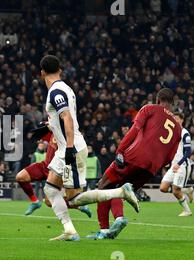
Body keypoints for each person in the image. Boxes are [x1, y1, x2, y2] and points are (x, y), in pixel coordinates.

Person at [39, 55, 139, 241]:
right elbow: (63, 118)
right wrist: (51, 125)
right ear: (60, 69)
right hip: (65, 148)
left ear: (42, 73)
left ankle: (120, 192)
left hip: (71, 148)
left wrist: (69, 148)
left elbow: (67, 117)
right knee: (51, 190)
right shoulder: (65, 89)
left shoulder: (55, 91)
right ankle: (69, 230)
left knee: (73, 199)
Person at [89, 88, 182, 240]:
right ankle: (112, 225)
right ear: (173, 102)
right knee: (120, 189)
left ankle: (107, 227)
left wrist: (120, 150)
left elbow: (134, 130)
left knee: (104, 185)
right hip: (151, 169)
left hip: (134, 157)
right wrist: (155, 165)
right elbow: (169, 158)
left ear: (158, 100)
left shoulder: (150, 108)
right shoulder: (178, 128)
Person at [16, 129, 91, 217]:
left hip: (57, 171)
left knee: (49, 202)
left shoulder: (70, 136)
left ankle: (79, 206)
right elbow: (41, 139)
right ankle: (35, 202)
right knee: (20, 177)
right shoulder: (53, 129)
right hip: (45, 166)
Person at [160, 112, 192, 216]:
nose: (175, 121)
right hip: (173, 165)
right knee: (163, 188)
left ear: (182, 120)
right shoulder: (172, 134)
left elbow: (188, 152)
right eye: (174, 119)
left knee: (175, 191)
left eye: (177, 119)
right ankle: (186, 190)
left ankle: (187, 211)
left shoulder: (185, 133)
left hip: (182, 166)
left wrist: (179, 163)